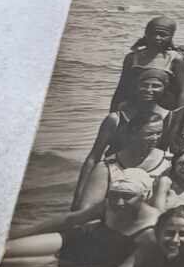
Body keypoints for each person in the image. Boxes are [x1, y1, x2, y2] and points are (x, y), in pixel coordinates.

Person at [3, 168, 159, 267]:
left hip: (85, 262)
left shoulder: (155, 223)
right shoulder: (107, 205)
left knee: (5, 264)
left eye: (127, 197)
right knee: (4, 250)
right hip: (77, 240)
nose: (118, 202)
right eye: (114, 195)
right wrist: (18, 233)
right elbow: (70, 220)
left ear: (145, 195)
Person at [72, 69, 172, 210]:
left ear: (165, 88)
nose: (149, 89)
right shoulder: (115, 119)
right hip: (115, 175)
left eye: (156, 85)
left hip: (149, 178)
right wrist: (79, 195)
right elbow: (94, 157)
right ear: (136, 87)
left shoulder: (169, 118)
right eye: (144, 85)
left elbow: (169, 157)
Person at [110, 16, 184, 112]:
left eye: (163, 35)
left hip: (163, 109)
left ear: (171, 36)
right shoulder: (132, 57)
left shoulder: (175, 59)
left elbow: (181, 92)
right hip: (134, 107)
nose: (157, 37)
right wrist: (113, 113)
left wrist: (178, 117)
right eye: (152, 33)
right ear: (146, 33)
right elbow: (122, 87)